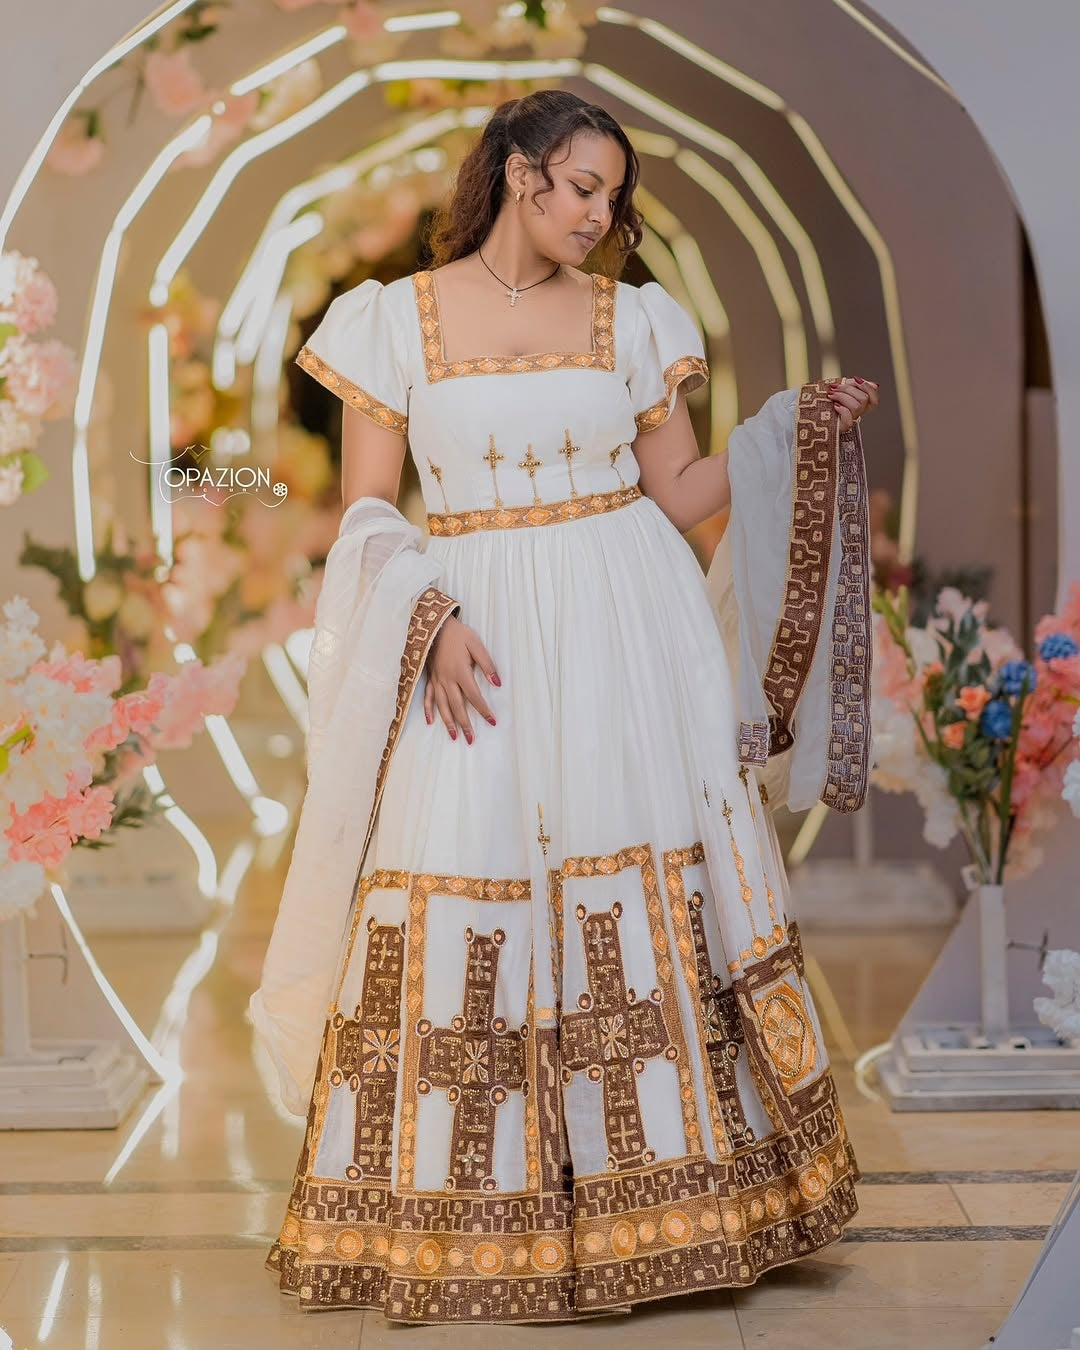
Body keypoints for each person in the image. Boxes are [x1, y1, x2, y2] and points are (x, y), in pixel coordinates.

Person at [250, 88, 879, 1325]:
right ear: (520, 173)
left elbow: (686, 487)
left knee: (644, 869)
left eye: (614, 194)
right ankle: (460, 1212)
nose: (604, 213)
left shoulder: (635, 320)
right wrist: (427, 621)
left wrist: (790, 435)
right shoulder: (393, 323)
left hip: (626, 630)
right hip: (474, 635)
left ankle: (692, 1197)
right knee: (467, 868)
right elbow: (368, 512)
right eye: (583, 187)